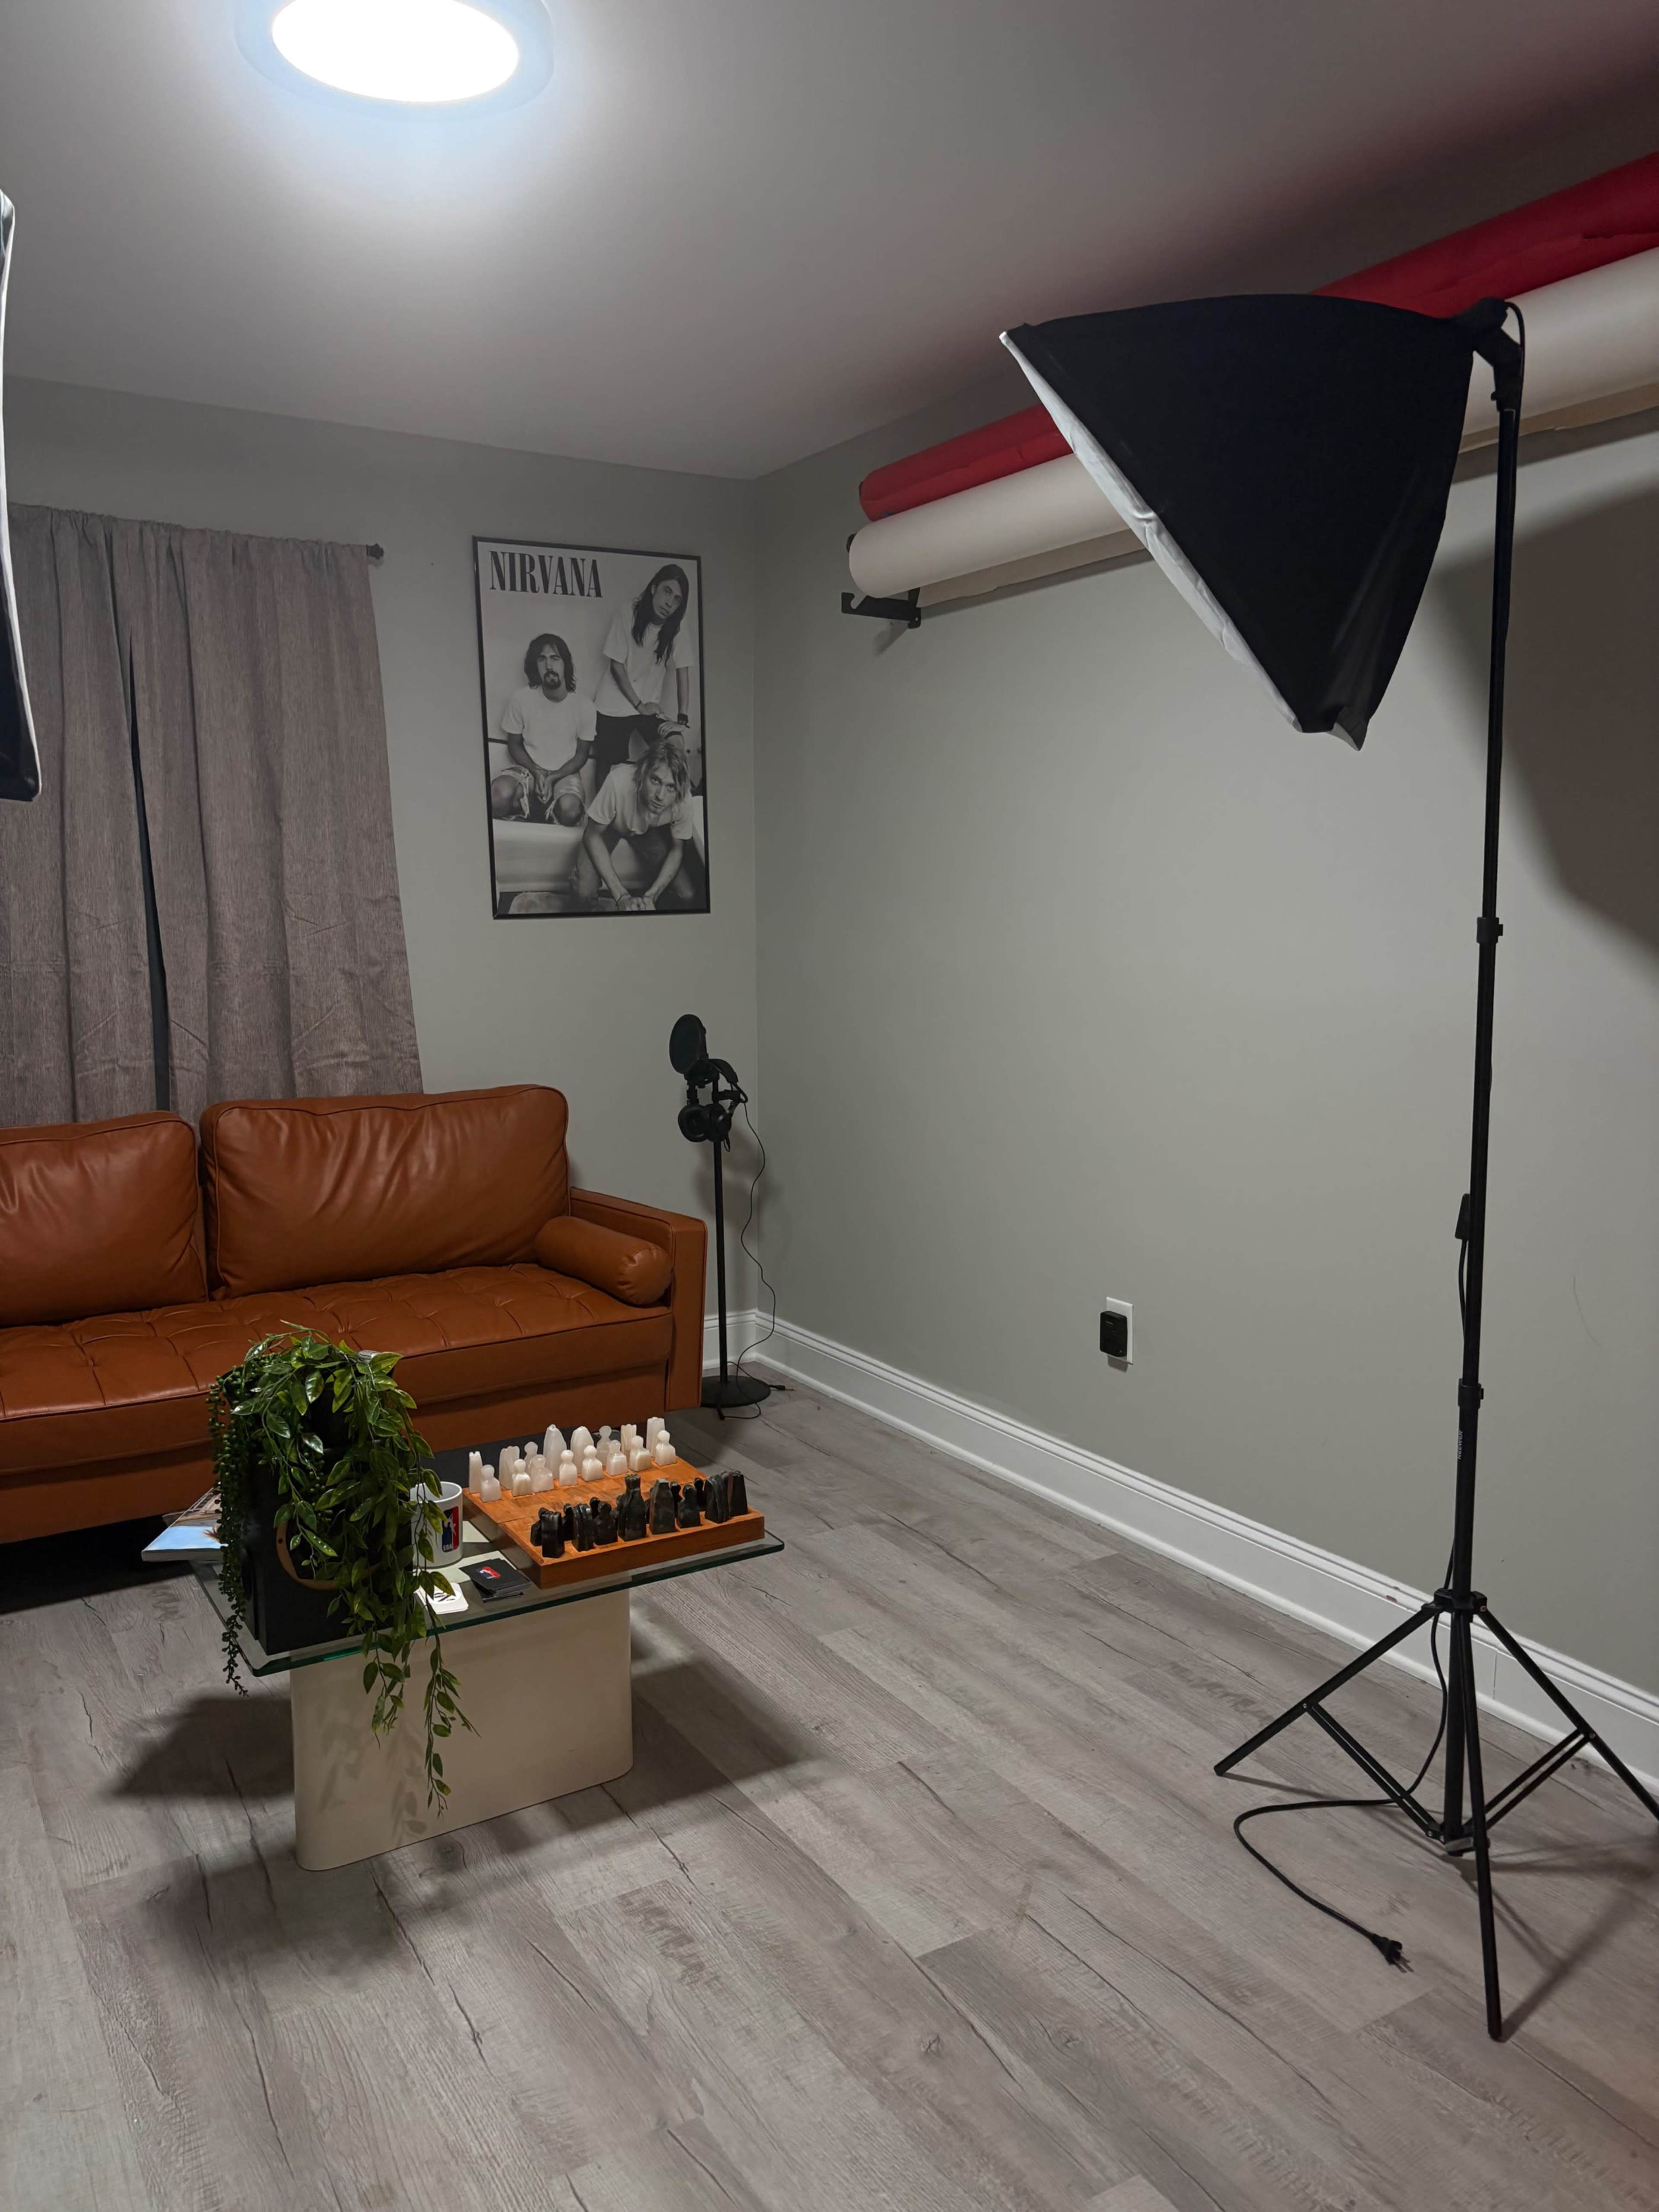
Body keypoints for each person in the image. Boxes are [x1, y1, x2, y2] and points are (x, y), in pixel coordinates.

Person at [591, 565, 696, 789]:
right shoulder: (628, 612)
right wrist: (639, 705)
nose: (670, 603)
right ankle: (603, 820)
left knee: (675, 746)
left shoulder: (677, 626)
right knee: (610, 772)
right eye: (667, 592)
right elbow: (616, 666)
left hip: (649, 705)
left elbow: (683, 672)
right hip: (615, 702)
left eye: (677, 599)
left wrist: (682, 721)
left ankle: (674, 814)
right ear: (654, 588)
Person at [574, 733, 706, 912]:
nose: (661, 796)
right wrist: (622, 896)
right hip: (609, 828)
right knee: (584, 893)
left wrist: (651, 896)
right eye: (655, 780)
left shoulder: (684, 800)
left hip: (648, 832)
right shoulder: (618, 782)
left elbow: (677, 850)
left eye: (671, 787)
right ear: (643, 773)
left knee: (687, 895)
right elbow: (592, 835)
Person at [491, 633, 595, 825]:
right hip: (528, 770)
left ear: (566, 664)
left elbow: (581, 755)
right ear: (535, 665)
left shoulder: (585, 706)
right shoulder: (521, 698)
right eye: (542, 659)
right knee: (497, 797)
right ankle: (535, 807)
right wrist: (537, 772)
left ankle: (536, 809)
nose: (549, 666)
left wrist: (554, 777)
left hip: (565, 774)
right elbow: (514, 744)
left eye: (555, 659)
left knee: (571, 812)